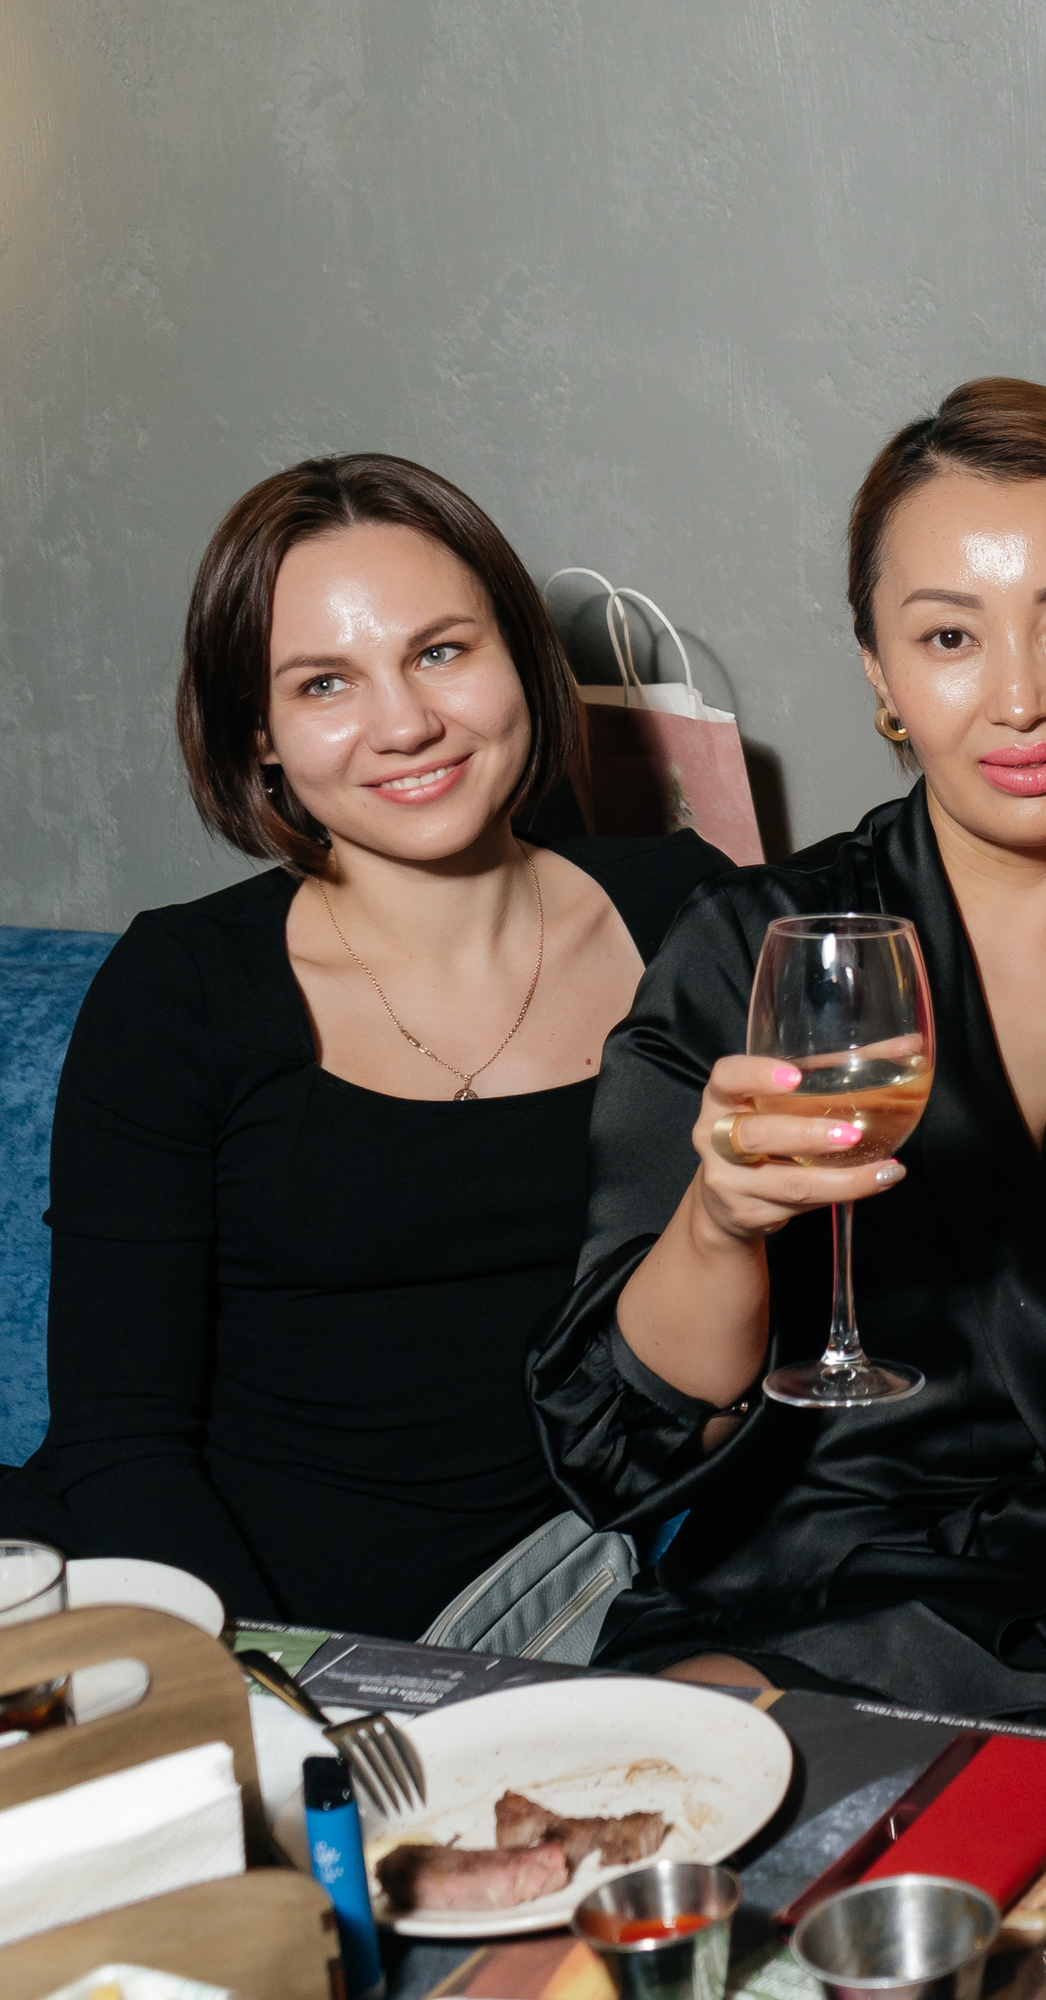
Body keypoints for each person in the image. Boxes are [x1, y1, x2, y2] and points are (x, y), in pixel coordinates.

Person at [529, 377, 1046, 1727]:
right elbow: (624, 1449)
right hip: (818, 1594)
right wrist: (723, 1223)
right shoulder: (757, 946)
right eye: (951, 636)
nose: (1020, 698)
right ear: (880, 670)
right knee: (673, 1775)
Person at [3, 455, 729, 1637]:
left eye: (441, 651)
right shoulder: (183, 987)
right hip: (190, 1614)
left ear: (520, 659)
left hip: (525, 1621)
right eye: (325, 682)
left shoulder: (689, 915)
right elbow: (119, 1440)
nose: (405, 724)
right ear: (260, 735)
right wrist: (278, 1695)